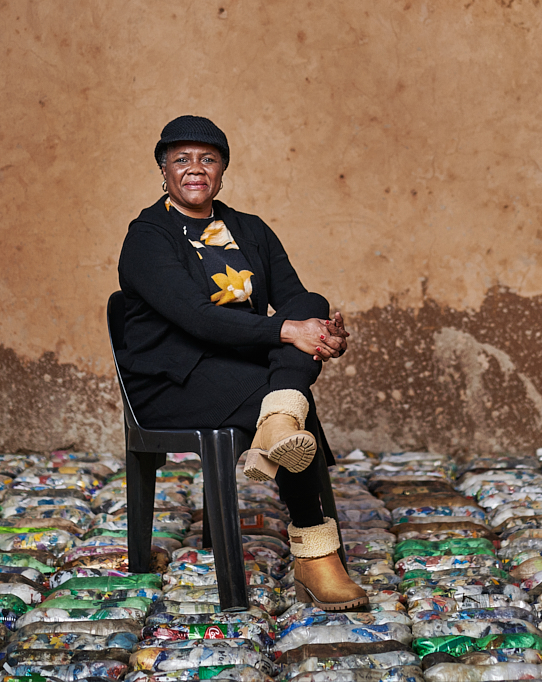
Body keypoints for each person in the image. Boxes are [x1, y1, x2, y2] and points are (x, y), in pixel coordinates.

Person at [116, 115, 368, 611]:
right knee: (284, 395)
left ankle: (278, 423)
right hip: (172, 380)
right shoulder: (147, 237)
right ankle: (316, 556)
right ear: (163, 170)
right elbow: (197, 319)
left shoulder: (248, 229)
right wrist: (292, 333)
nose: (195, 169)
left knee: (311, 305)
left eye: (207, 159)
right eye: (182, 159)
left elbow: (297, 301)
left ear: (223, 169)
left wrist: (323, 335)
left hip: (239, 364)